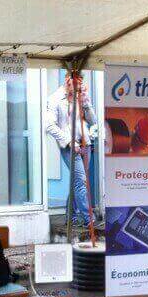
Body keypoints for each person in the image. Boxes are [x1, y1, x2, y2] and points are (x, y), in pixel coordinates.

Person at [45, 74, 97, 226]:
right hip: (70, 147)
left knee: (78, 182)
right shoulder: (54, 99)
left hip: (85, 144)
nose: (78, 88)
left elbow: (93, 121)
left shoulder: (80, 96)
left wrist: (86, 103)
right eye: (75, 85)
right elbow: (49, 126)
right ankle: (89, 219)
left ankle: (71, 217)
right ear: (67, 81)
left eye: (80, 84)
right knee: (80, 181)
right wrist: (69, 141)